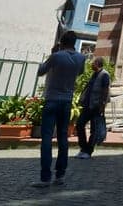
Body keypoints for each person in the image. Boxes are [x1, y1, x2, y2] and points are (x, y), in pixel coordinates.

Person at [33, 31, 87, 188]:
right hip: (67, 102)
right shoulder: (81, 58)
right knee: (63, 138)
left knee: (47, 138)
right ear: (75, 43)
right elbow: (80, 72)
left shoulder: (56, 56)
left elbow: (40, 71)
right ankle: (60, 175)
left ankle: (45, 178)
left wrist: (52, 55)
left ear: (62, 42)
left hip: (52, 100)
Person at [75, 56, 110, 159]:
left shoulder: (104, 75)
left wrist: (102, 105)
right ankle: (83, 148)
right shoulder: (94, 74)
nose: (91, 64)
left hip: (96, 106)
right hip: (87, 105)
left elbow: (105, 91)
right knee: (79, 124)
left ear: (97, 64)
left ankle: (88, 151)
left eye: (93, 63)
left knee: (94, 130)